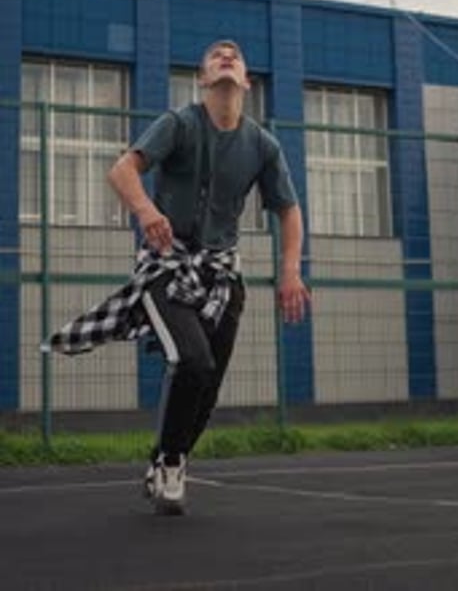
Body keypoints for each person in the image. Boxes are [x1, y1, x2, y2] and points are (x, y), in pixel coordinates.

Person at [46, 39, 310, 515]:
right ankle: (170, 463)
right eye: (215, 55)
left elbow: (289, 211)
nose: (226, 55)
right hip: (166, 266)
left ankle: (170, 458)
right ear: (204, 80)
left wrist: (290, 270)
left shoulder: (262, 145)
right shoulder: (178, 123)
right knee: (192, 361)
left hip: (221, 275)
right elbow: (123, 169)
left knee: (208, 383)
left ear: (246, 82)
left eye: (235, 54)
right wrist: (146, 211)